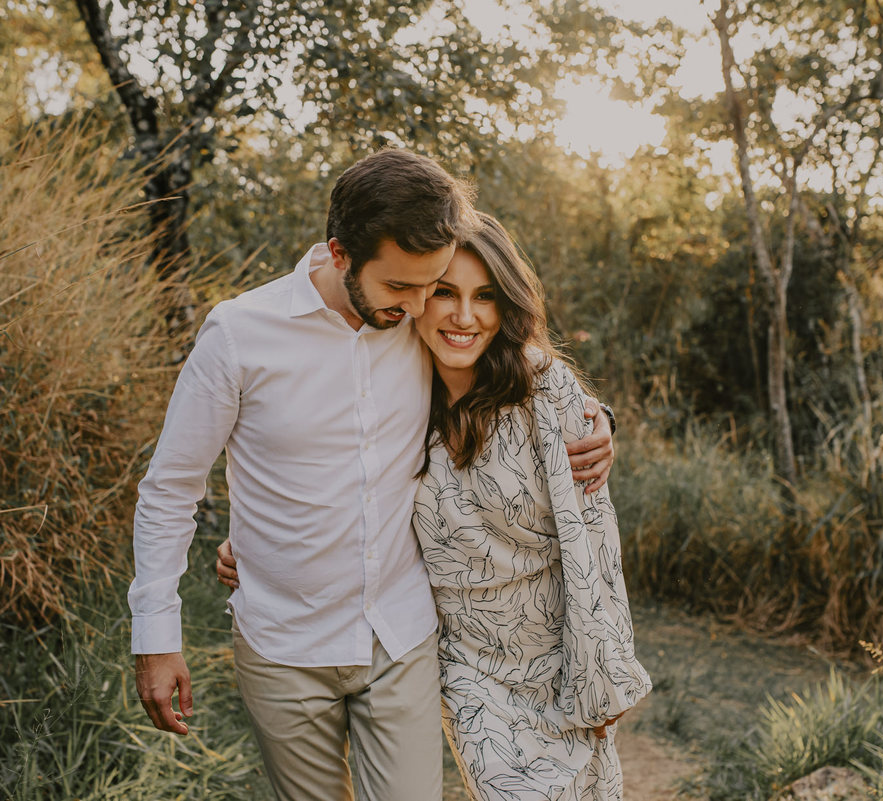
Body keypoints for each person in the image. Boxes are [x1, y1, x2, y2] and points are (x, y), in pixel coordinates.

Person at [128, 149, 615, 801]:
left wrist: (595, 418)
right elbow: (169, 489)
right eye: (400, 287)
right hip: (282, 644)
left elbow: (509, 362)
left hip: (401, 634)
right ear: (340, 254)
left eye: (430, 284)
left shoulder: (420, 325)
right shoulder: (240, 337)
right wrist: (156, 636)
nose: (418, 305)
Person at [219, 214, 651, 800]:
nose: (464, 316)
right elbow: (341, 483)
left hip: (558, 658)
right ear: (417, 294)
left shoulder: (541, 388)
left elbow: (593, 540)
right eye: (446, 293)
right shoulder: (398, 381)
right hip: (463, 661)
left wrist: (602, 671)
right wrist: (257, 544)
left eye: (485, 297)